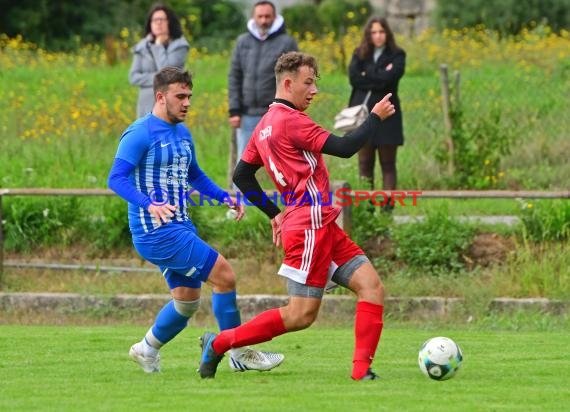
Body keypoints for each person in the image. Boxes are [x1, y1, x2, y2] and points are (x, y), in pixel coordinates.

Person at [198, 52, 396, 380]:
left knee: (372, 286)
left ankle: (361, 372)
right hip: (309, 228)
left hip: (322, 223)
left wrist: (274, 213)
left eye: (315, 82)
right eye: (308, 82)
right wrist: (374, 118)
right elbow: (346, 148)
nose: (314, 89)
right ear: (288, 84)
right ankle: (219, 344)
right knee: (301, 315)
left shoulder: (264, 125)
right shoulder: (292, 121)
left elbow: (242, 175)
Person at [108, 66, 284, 374]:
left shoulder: (182, 132)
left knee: (186, 302)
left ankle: (146, 349)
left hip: (180, 225)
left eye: (189, 96)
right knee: (224, 275)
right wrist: (149, 204)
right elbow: (116, 179)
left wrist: (224, 196)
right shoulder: (140, 133)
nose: (187, 102)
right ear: (161, 97)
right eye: (180, 96)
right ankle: (238, 351)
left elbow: (195, 175)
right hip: (156, 232)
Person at [228, 1, 298, 168]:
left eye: (268, 16)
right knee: (243, 163)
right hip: (247, 113)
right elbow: (234, 76)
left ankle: (287, 194)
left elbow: (294, 78)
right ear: (254, 17)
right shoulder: (242, 42)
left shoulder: (287, 43)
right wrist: (234, 110)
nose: (264, 20)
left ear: (274, 17)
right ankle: (242, 195)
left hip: (275, 114)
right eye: (260, 16)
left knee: (283, 162)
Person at [348, 17, 406, 212]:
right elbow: (354, 79)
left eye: (381, 32)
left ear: (387, 33)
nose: (378, 36)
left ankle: (387, 212)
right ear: (368, 34)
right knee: (365, 164)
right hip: (363, 115)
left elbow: (389, 80)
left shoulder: (397, 55)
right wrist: (380, 74)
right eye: (374, 32)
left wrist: (368, 75)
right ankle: (367, 211)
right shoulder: (359, 54)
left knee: (388, 164)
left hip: (388, 116)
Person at [129, 4, 189, 118]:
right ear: (150, 24)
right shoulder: (142, 47)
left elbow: (168, 73)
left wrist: (158, 46)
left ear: (169, 22)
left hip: (170, 107)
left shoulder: (180, 46)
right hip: (145, 106)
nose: (158, 23)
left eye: (162, 19)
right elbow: (134, 77)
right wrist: (158, 79)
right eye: (155, 20)